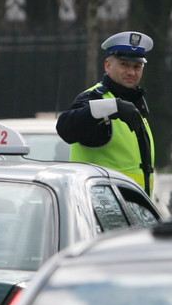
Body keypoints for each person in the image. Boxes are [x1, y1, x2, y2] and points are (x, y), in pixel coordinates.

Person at [56, 31, 156, 194]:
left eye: (137, 66)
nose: (131, 72)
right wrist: (112, 107)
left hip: (134, 211)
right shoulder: (94, 97)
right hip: (100, 210)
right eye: (124, 64)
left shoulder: (136, 102)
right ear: (108, 66)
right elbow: (66, 127)